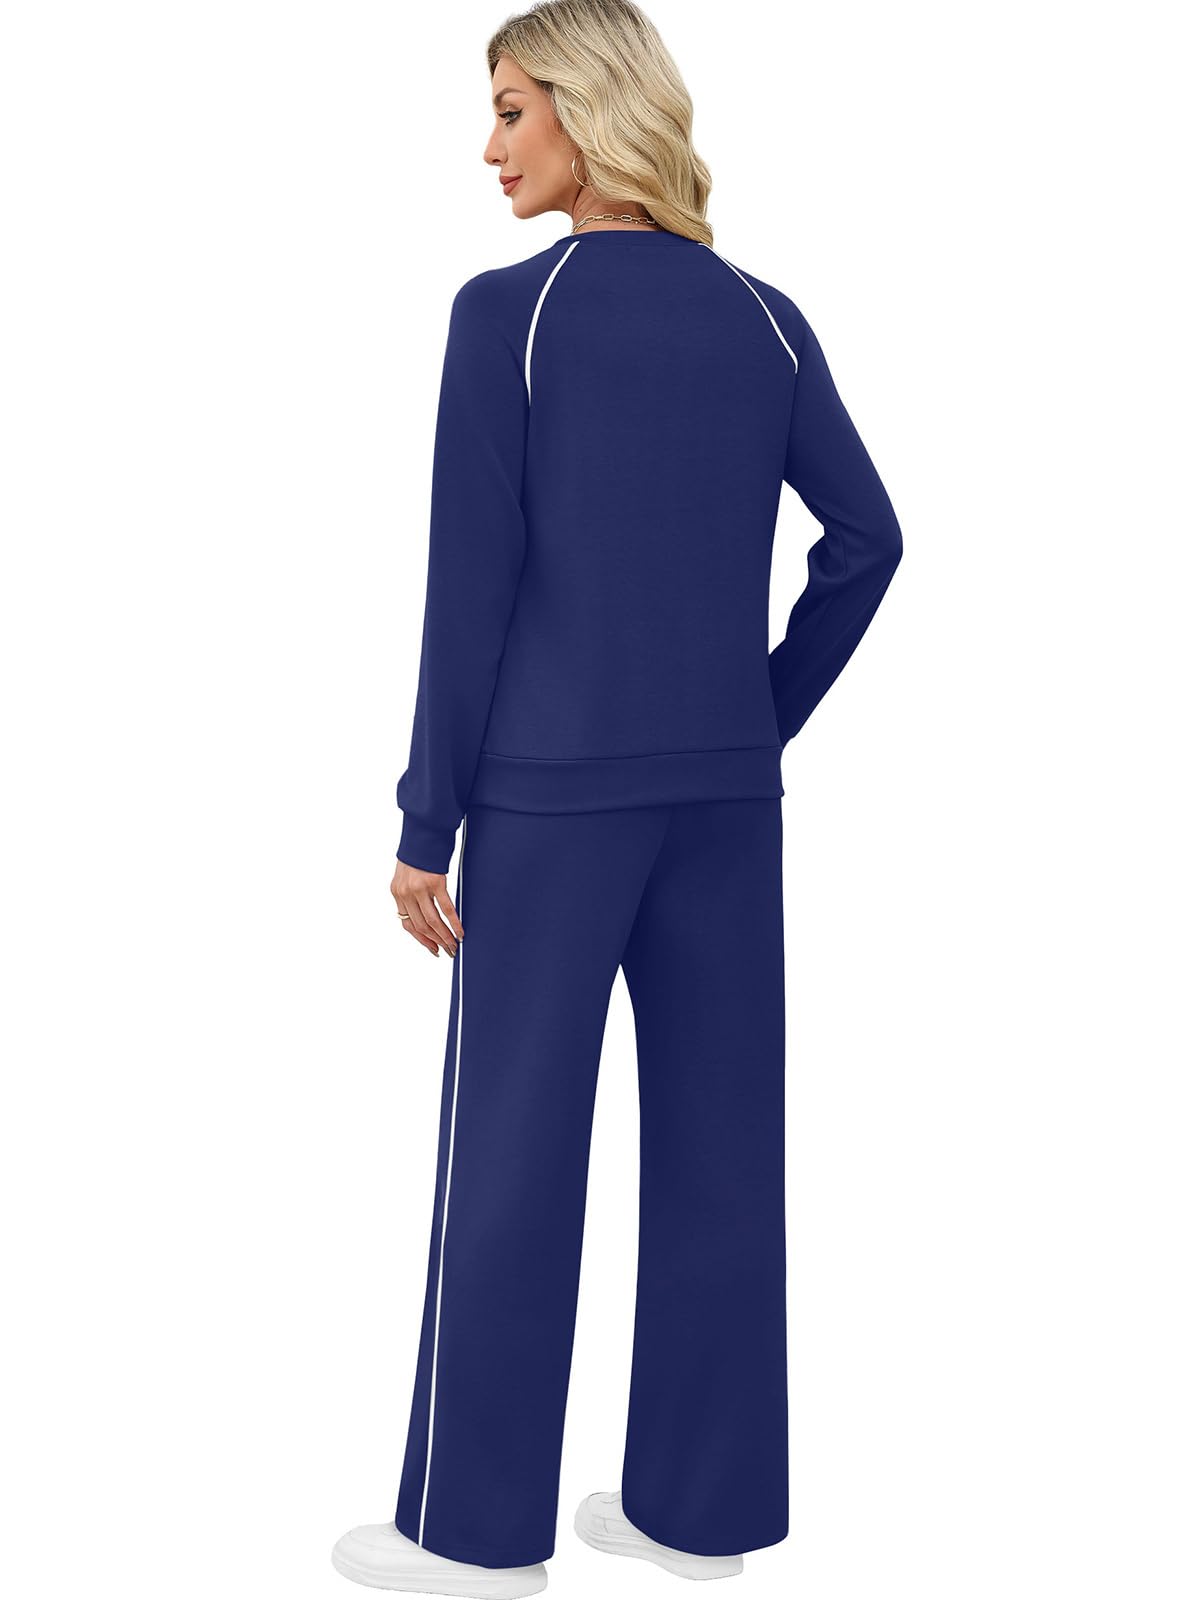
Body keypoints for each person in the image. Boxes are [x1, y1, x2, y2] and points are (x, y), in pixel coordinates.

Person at [332, 1, 903, 1593]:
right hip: (724, 811)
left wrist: (425, 822)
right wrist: (754, 726)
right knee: (725, 1153)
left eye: (514, 109)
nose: (490, 146)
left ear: (591, 110)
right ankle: (698, 1518)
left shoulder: (509, 316)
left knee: (513, 1156)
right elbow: (871, 543)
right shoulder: (767, 320)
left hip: (550, 811)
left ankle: (472, 1536)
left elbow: (470, 594)